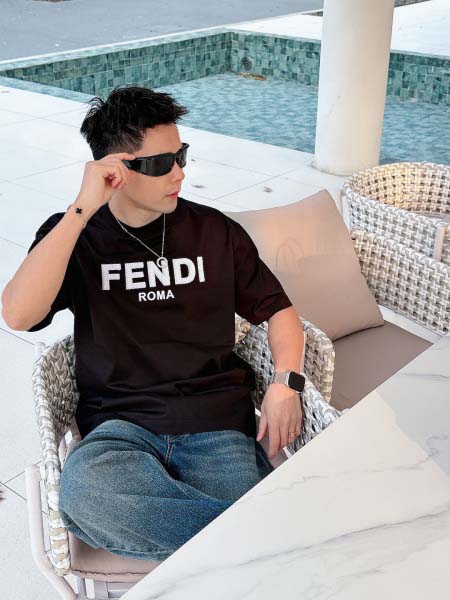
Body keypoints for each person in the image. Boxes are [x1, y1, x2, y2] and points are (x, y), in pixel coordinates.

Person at [1, 85, 304, 562]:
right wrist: (81, 210)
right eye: (162, 163)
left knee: (194, 518)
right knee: (89, 494)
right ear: (117, 170)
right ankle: (261, 544)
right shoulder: (76, 235)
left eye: (181, 155)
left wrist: (287, 382)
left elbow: (279, 309)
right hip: (119, 428)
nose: (180, 173)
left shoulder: (215, 230)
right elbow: (18, 314)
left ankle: (243, 550)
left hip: (216, 426)